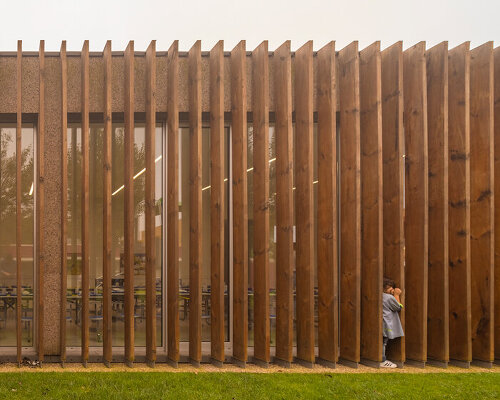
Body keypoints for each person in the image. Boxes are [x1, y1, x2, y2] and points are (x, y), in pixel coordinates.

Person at [381, 277, 403, 368]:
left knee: (380, 340)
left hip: (381, 322)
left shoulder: (379, 295)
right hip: (386, 323)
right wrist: (396, 295)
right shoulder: (389, 297)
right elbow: (399, 307)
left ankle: (381, 359)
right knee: (384, 341)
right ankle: (382, 360)